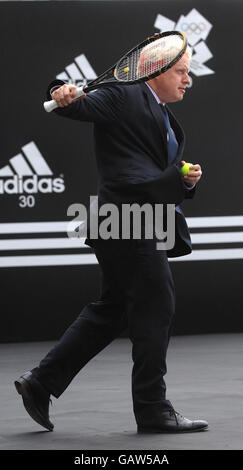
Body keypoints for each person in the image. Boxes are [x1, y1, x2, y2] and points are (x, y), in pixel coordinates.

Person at [15, 38, 208, 434]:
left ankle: (41, 382)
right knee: (157, 305)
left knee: (114, 309)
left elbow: (150, 171)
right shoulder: (123, 94)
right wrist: (60, 91)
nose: (188, 80)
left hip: (132, 221)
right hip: (128, 221)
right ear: (154, 70)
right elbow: (79, 102)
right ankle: (153, 409)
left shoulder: (165, 116)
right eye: (181, 71)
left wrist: (184, 181)